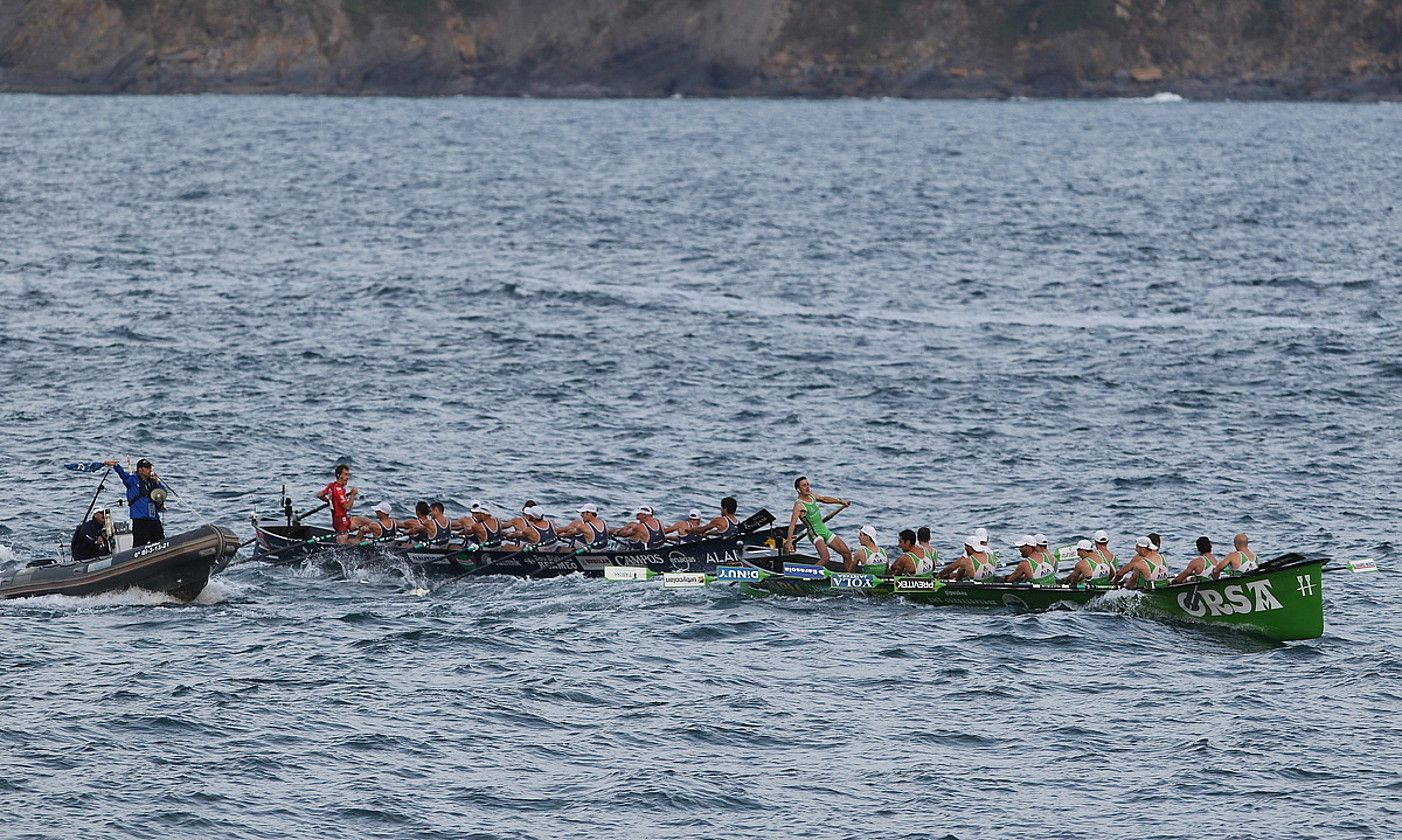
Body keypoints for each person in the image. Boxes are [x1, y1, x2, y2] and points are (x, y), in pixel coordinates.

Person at [783, 476, 853, 567]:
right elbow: (792, 525)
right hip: (814, 533)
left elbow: (824, 499)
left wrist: (840, 501)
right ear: (798, 489)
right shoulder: (799, 505)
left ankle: (846, 577)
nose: (807, 487)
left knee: (847, 554)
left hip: (824, 530)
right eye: (804, 485)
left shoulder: (812, 495)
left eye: (808, 484)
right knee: (825, 558)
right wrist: (789, 542)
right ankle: (807, 575)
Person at [104, 458, 165, 548]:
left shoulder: (152, 482)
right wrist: (115, 465)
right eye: (147, 468)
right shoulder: (132, 480)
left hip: (154, 519)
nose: (150, 470)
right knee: (139, 546)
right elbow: (123, 475)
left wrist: (157, 481)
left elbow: (162, 492)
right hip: (140, 520)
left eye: (150, 468)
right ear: (140, 469)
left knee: (161, 544)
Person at [314, 464, 360, 545]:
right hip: (340, 520)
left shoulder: (331, 485)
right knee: (343, 546)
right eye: (345, 474)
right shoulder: (338, 489)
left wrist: (330, 500)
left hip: (342, 518)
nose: (348, 477)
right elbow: (348, 507)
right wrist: (352, 495)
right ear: (339, 475)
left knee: (365, 522)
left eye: (348, 475)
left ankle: (360, 540)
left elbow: (319, 495)